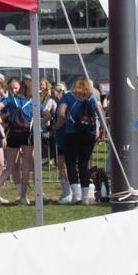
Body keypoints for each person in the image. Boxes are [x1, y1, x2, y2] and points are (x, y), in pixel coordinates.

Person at [54, 77, 103, 205]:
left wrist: (58, 125)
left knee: (70, 163)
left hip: (71, 133)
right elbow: (101, 112)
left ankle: (76, 195)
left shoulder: (68, 96)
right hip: (89, 134)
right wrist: (101, 128)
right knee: (84, 164)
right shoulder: (92, 97)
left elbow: (61, 113)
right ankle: (86, 197)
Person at [0, 79, 35, 204]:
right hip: (27, 134)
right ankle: (22, 196)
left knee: (10, 166)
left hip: (13, 134)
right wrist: (38, 124)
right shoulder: (32, 102)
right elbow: (48, 115)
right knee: (26, 165)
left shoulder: (10, 100)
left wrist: (2, 123)